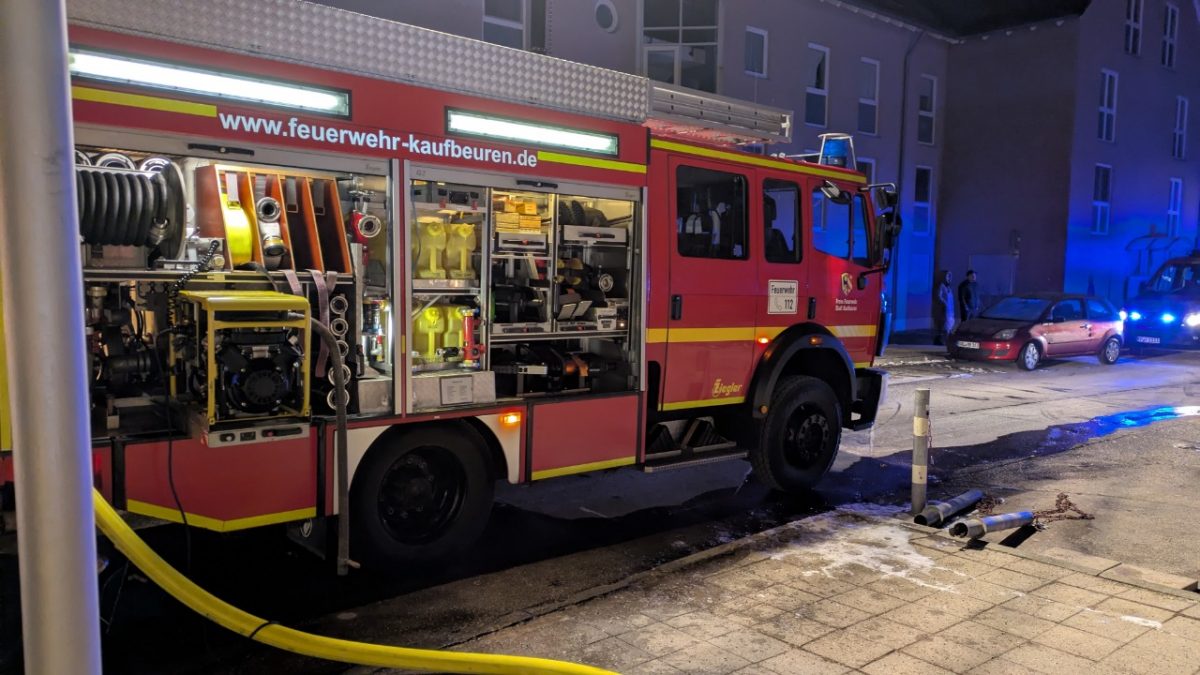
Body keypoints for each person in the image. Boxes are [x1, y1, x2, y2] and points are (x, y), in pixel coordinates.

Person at [934, 270, 955, 345]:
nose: (949, 278)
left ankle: (946, 340)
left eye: (950, 276)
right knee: (944, 325)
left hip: (950, 309)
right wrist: (945, 303)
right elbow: (939, 296)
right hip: (943, 309)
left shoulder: (949, 287)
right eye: (947, 276)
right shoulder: (941, 286)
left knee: (949, 325)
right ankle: (942, 340)